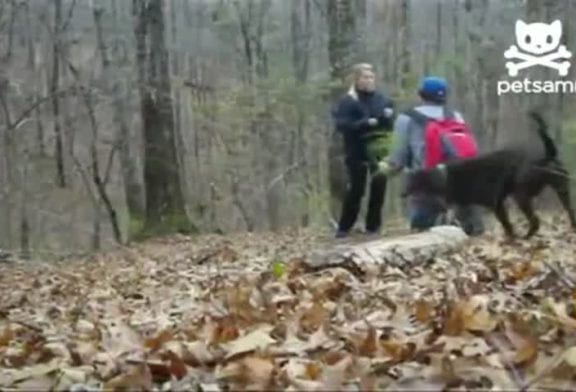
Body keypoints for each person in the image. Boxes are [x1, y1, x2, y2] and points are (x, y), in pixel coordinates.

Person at [378, 76, 485, 235]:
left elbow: (398, 155)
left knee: (422, 232)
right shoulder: (455, 116)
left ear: (421, 94)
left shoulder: (407, 117)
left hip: (427, 178)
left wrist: (386, 170)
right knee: (474, 231)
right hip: (461, 173)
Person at [331, 63, 395, 238]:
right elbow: (342, 124)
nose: (368, 81)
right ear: (356, 80)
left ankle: (373, 227)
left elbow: (390, 124)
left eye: (371, 77)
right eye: (364, 77)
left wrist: (386, 119)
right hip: (356, 149)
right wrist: (366, 123)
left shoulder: (383, 99)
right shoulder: (348, 101)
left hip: (378, 149)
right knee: (356, 189)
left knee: (379, 186)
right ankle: (344, 227)